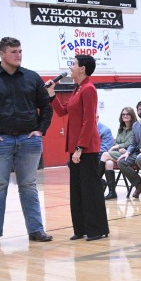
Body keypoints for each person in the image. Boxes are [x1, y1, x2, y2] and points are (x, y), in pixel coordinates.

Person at [0, 36, 54, 249]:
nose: (18, 55)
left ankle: (36, 230)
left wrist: (40, 130)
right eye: (14, 52)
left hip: (29, 140)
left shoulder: (32, 77)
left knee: (29, 186)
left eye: (20, 51)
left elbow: (46, 107)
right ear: (2, 53)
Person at [48, 55, 109, 241]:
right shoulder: (77, 88)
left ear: (82, 69)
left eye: (73, 64)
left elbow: (89, 121)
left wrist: (80, 148)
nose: (70, 67)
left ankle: (96, 229)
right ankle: (81, 228)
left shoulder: (89, 89)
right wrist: (51, 94)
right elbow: (62, 111)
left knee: (90, 189)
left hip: (86, 148)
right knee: (77, 189)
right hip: (75, 147)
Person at [100, 107, 135, 200]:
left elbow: (131, 143)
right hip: (119, 153)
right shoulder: (121, 129)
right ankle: (112, 192)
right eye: (123, 114)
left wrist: (117, 147)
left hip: (130, 154)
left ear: (132, 116)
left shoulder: (135, 128)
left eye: (127, 114)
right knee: (108, 163)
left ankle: (95, 181)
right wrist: (118, 147)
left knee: (105, 155)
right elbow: (116, 142)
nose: (125, 116)